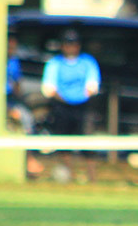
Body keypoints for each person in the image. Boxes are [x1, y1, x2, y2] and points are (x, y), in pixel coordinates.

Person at [42, 29, 101, 181]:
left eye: (73, 44)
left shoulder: (87, 62)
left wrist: (79, 98)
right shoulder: (55, 63)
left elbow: (92, 86)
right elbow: (49, 88)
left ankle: (92, 178)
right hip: (61, 107)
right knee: (63, 142)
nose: (71, 47)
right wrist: (66, 100)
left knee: (88, 142)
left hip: (83, 107)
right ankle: (69, 176)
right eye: (67, 44)